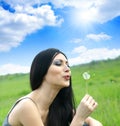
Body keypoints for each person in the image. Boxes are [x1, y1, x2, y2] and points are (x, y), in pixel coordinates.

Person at [3, 48, 103, 126]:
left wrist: (82, 119)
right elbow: (80, 120)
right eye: (58, 64)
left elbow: (94, 122)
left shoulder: (56, 103)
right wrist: (79, 118)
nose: (67, 69)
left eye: (68, 65)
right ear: (42, 71)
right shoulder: (27, 106)